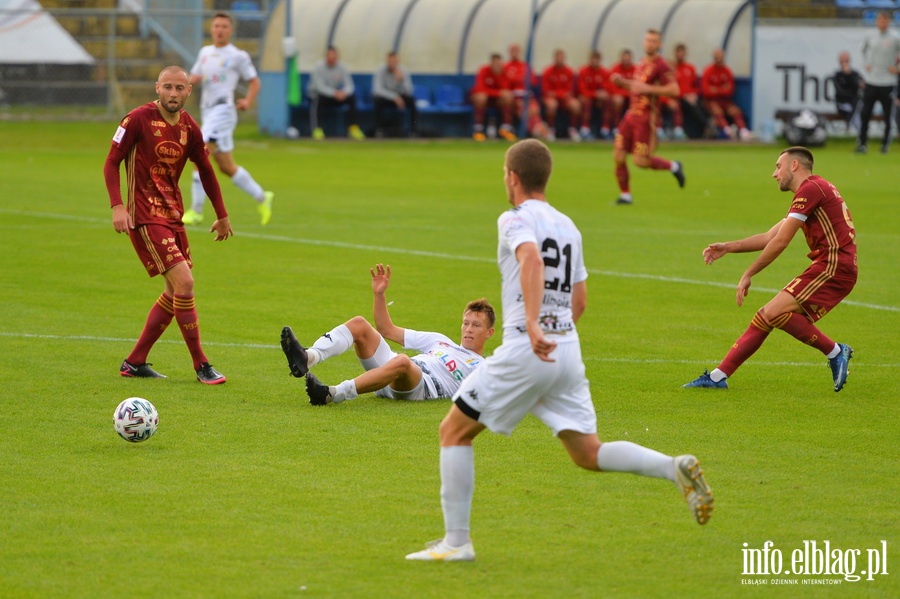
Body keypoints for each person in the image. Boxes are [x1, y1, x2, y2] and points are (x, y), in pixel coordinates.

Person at [405, 139, 714, 562]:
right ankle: (672, 466)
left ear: (512, 177)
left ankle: (457, 542)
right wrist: (553, 330)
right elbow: (580, 300)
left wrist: (532, 325)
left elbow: (531, 261)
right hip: (565, 350)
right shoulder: (569, 225)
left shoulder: (513, 218)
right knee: (588, 452)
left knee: (453, 432)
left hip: (526, 348)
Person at [684, 146, 856, 392]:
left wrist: (749, 273)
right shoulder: (812, 191)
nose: (774, 174)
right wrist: (729, 247)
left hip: (834, 266)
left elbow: (781, 242)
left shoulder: (810, 189)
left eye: (778, 166)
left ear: (794, 165)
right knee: (769, 314)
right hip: (832, 265)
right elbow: (768, 237)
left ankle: (836, 351)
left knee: (771, 312)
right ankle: (717, 377)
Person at [103, 66, 233, 384]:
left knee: (175, 291)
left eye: (179, 88)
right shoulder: (136, 119)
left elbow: (206, 169)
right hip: (144, 216)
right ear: (157, 88)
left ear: (189, 91)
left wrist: (222, 214)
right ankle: (202, 365)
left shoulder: (190, 127)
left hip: (173, 216)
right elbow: (111, 161)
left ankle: (134, 362)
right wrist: (118, 206)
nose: (173, 94)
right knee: (185, 285)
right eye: (168, 88)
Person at [280, 264, 495, 405]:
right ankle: (308, 357)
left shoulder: (482, 367)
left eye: (476, 325)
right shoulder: (441, 341)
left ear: (489, 332)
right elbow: (386, 329)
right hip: (393, 372)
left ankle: (331, 394)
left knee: (402, 361)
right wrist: (379, 295)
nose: (468, 329)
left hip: (420, 385)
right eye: (466, 323)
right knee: (359, 325)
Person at [183, 12, 273, 227]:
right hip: (208, 111)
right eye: (216, 26)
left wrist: (248, 100)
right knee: (225, 166)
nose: (220, 30)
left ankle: (196, 211)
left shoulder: (237, 56)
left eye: (224, 26)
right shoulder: (205, 53)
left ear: (230, 30)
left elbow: (254, 82)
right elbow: (194, 76)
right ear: (211, 29)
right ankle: (263, 197)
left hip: (224, 110)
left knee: (199, 153)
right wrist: (190, 81)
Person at [611, 29, 685, 206]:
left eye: (654, 41)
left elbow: (675, 90)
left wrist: (649, 89)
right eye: (648, 40)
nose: (650, 44)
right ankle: (625, 196)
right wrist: (623, 83)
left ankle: (674, 166)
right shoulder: (642, 62)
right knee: (618, 156)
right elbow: (638, 87)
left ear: (659, 44)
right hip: (630, 116)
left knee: (640, 161)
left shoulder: (662, 65)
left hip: (646, 118)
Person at [855, 11, 900, 154]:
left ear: (889, 21)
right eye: (880, 20)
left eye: (885, 20)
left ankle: (885, 145)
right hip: (871, 81)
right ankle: (862, 144)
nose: (883, 22)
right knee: (865, 113)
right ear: (876, 21)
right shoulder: (870, 36)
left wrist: (897, 68)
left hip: (888, 82)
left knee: (888, 116)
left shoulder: (895, 37)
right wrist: (865, 64)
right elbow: (861, 51)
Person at [308, 46, 365, 140]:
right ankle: (317, 129)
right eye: (329, 57)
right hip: (321, 95)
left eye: (333, 57)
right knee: (318, 99)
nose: (331, 59)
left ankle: (353, 128)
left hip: (336, 95)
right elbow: (319, 87)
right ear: (325, 57)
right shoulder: (318, 67)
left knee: (352, 98)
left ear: (337, 57)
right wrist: (334, 93)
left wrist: (343, 93)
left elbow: (350, 85)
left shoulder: (342, 67)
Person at [701, 48, 751, 141]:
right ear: (714, 58)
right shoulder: (708, 71)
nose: (719, 60)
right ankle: (727, 130)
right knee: (717, 110)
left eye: (721, 58)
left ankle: (743, 131)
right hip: (711, 101)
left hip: (725, 101)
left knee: (735, 111)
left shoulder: (727, 71)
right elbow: (706, 91)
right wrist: (722, 89)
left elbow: (730, 90)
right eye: (717, 58)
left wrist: (715, 89)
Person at [471, 53, 517, 142]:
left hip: (497, 100)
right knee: (481, 97)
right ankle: (478, 129)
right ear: (491, 63)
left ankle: (506, 128)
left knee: (508, 98)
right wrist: (498, 93)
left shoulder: (505, 72)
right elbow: (480, 88)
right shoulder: (483, 70)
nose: (496, 65)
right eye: (494, 63)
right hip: (485, 99)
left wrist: (499, 76)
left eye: (498, 63)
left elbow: (505, 89)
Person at [372, 51, 418, 137]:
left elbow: (409, 91)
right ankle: (379, 131)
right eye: (390, 61)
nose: (392, 64)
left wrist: (402, 79)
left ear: (398, 62)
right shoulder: (381, 70)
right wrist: (394, 97)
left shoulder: (403, 70)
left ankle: (413, 131)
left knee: (412, 100)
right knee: (377, 100)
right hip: (386, 98)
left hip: (401, 97)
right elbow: (377, 90)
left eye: (394, 62)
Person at [665, 42, 706, 140]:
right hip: (676, 97)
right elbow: (667, 87)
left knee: (697, 104)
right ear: (675, 53)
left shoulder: (690, 68)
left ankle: (702, 131)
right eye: (678, 52)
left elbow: (696, 86)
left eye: (682, 52)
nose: (680, 54)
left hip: (688, 98)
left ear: (685, 54)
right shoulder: (671, 68)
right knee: (681, 105)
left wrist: (694, 94)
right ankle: (679, 131)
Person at [541, 49, 582, 141]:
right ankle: (550, 130)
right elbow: (546, 91)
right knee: (552, 105)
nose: (560, 59)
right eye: (558, 57)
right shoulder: (548, 71)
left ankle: (573, 129)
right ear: (554, 58)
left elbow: (570, 90)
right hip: (552, 98)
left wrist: (561, 94)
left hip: (564, 98)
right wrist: (560, 94)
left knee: (575, 105)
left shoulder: (569, 71)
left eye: (561, 57)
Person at [577, 50, 614, 139]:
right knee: (586, 101)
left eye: (596, 59)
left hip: (599, 99)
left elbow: (608, 88)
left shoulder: (604, 72)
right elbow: (582, 89)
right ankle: (585, 129)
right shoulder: (583, 71)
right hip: (588, 98)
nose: (594, 61)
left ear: (600, 60)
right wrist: (595, 94)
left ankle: (606, 129)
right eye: (593, 59)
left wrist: (601, 94)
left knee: (608, 100)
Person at [832, 51, 863, 132]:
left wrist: (849, 75)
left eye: (846, 61)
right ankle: (859, 132)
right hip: (843, 104)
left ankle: (857, 132)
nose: (844, 63)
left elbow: (860, 86)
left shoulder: (855, 74)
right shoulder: (837, 75)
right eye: (842, 61)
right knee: (854, 108)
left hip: (854, 103)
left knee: (857, 107)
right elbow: (840, 92)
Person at [609, 48, 635, 126]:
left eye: (628, 58)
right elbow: (611, 86)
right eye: (624, 57)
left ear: (631, 58)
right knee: (618, 100)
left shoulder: (636, 69)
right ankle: (615, 126)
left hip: (631, 95)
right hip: (619, 95)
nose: (626, 59)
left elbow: (637, 85)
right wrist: (623, 94)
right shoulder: (615, 68)